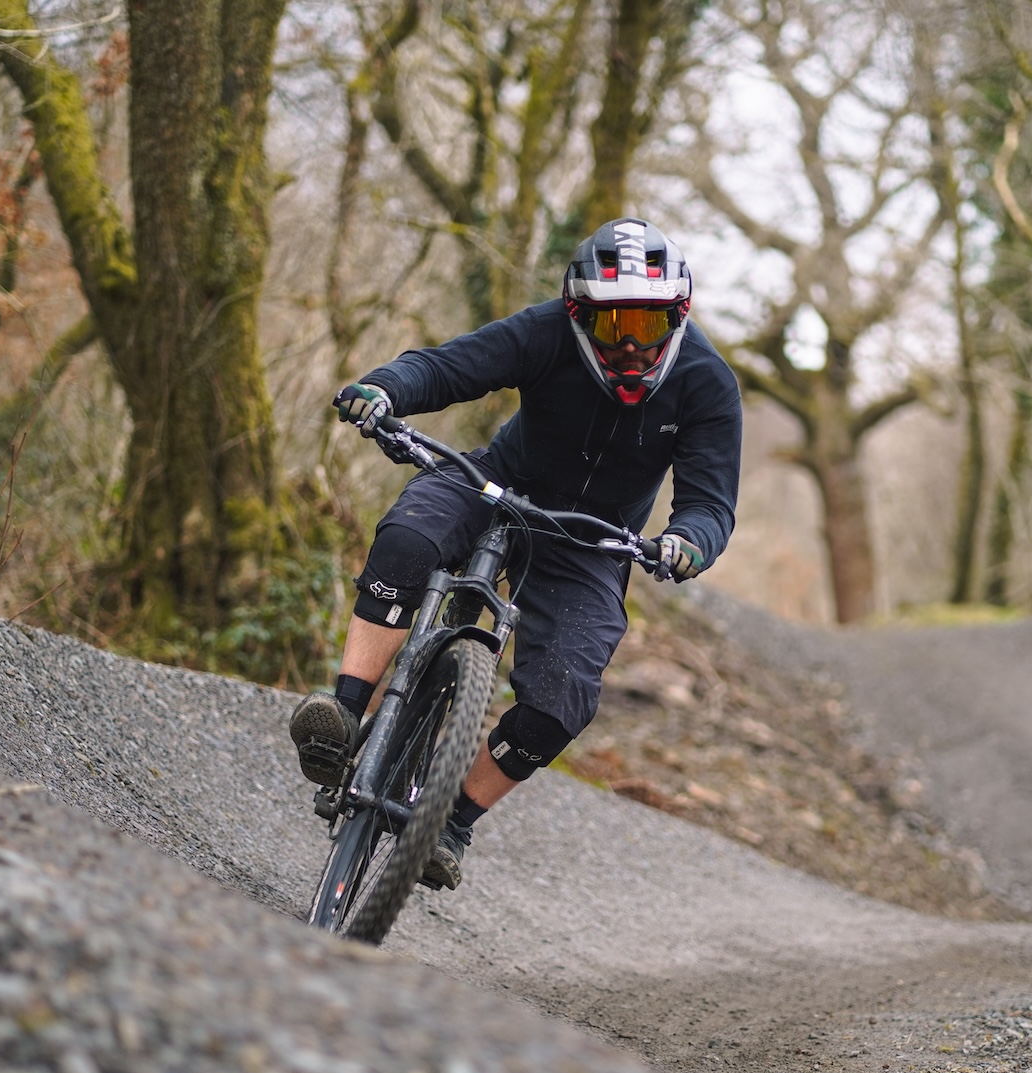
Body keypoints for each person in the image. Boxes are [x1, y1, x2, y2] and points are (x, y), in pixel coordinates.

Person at [290, 218, 743, 891]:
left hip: (592, 537)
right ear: (575, 313)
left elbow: (710, 503)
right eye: (610, 322)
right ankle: (345, 714)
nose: (626, 344)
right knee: (409, 541)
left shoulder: (706, 383)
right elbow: (449, 366)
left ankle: (452, 820)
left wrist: (687, 543)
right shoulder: (545, 332)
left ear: (677, 317)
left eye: (645, 327)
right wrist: (385, 389)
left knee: (562, 699)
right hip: (497, 481)